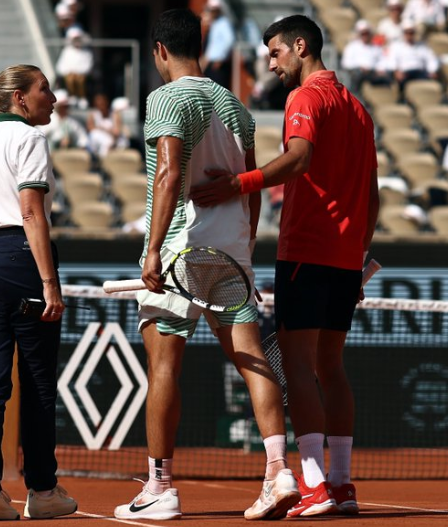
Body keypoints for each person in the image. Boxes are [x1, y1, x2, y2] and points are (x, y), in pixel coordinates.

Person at [191, 14, 380, 517]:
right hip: (343, 257)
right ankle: (340, 484)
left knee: (298, 365)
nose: (270, 63)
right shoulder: (358, 108)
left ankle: (314, 484)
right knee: (331, 367)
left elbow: (297, 157)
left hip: (306, 250)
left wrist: (238, 184)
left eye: (275, 53)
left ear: (301, 46)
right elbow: (373, 195)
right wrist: (358, 253)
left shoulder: (306, 98)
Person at [113, 9, 299, 522]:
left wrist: (152, 249)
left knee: (163, 365)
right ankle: (279, 469)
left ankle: (160, 487)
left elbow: (170, 173)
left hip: (179, 248)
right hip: (232, 247)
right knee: (249, 354)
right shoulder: (236, 105)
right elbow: (255, 182)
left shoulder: (166, 96)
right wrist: (245, 245)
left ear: (159, 51)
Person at [0, 64, 78, 521]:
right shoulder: (28, 139)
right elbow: (30, 213)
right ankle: (43, 491)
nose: (54, 97)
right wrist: (49, 282)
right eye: (44, 89)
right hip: (17, 258)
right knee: (38, 382)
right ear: (20, 99)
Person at [380, 20, 439, 93]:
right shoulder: (396, 46)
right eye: (407, 32)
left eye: (411, 32)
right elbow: (391, 60)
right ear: (403, 33)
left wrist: (432, 71)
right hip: (405, 73)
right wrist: (396, 71)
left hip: (419, 72)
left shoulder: (422, 46)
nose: (409, 35)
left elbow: (431, 59)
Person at [340, 20, 388, 95]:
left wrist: (379, 69)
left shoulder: (376, 47)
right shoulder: (351, 47)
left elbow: (382, 61)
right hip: (358, 72)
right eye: (363, 34)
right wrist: (360, 67)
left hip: (373, 73)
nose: (365, 36)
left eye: (367, 33)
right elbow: (346, 63)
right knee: (357, 75)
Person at [54, 27, 93, 109]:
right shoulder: (66, 51)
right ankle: (72, 97)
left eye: (78, 39)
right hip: (69, 74)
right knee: (70, 79)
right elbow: (60, 66)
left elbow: (88, 66)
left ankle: (82, 98)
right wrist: (69, 72)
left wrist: (78, 72)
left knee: (80, 79)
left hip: (82, 75)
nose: (76, 41)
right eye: (75, 39)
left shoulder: (86, 52)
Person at [201, 0, 235, 89]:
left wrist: (221, 58)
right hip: (211, 64)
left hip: (218, 64)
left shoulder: (224, 23)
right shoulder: (215, 24)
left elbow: (230, 40)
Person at [86, 92, 126, 160]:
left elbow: (117, 132)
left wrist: (107, 131)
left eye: (102, 103)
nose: (101, 106)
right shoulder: (92, 115)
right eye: (98, 104)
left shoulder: (115, 114)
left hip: (114, 140)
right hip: (98, 141)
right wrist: (105, 130)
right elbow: (90, 129)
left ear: (107, 102)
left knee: (108, 142)